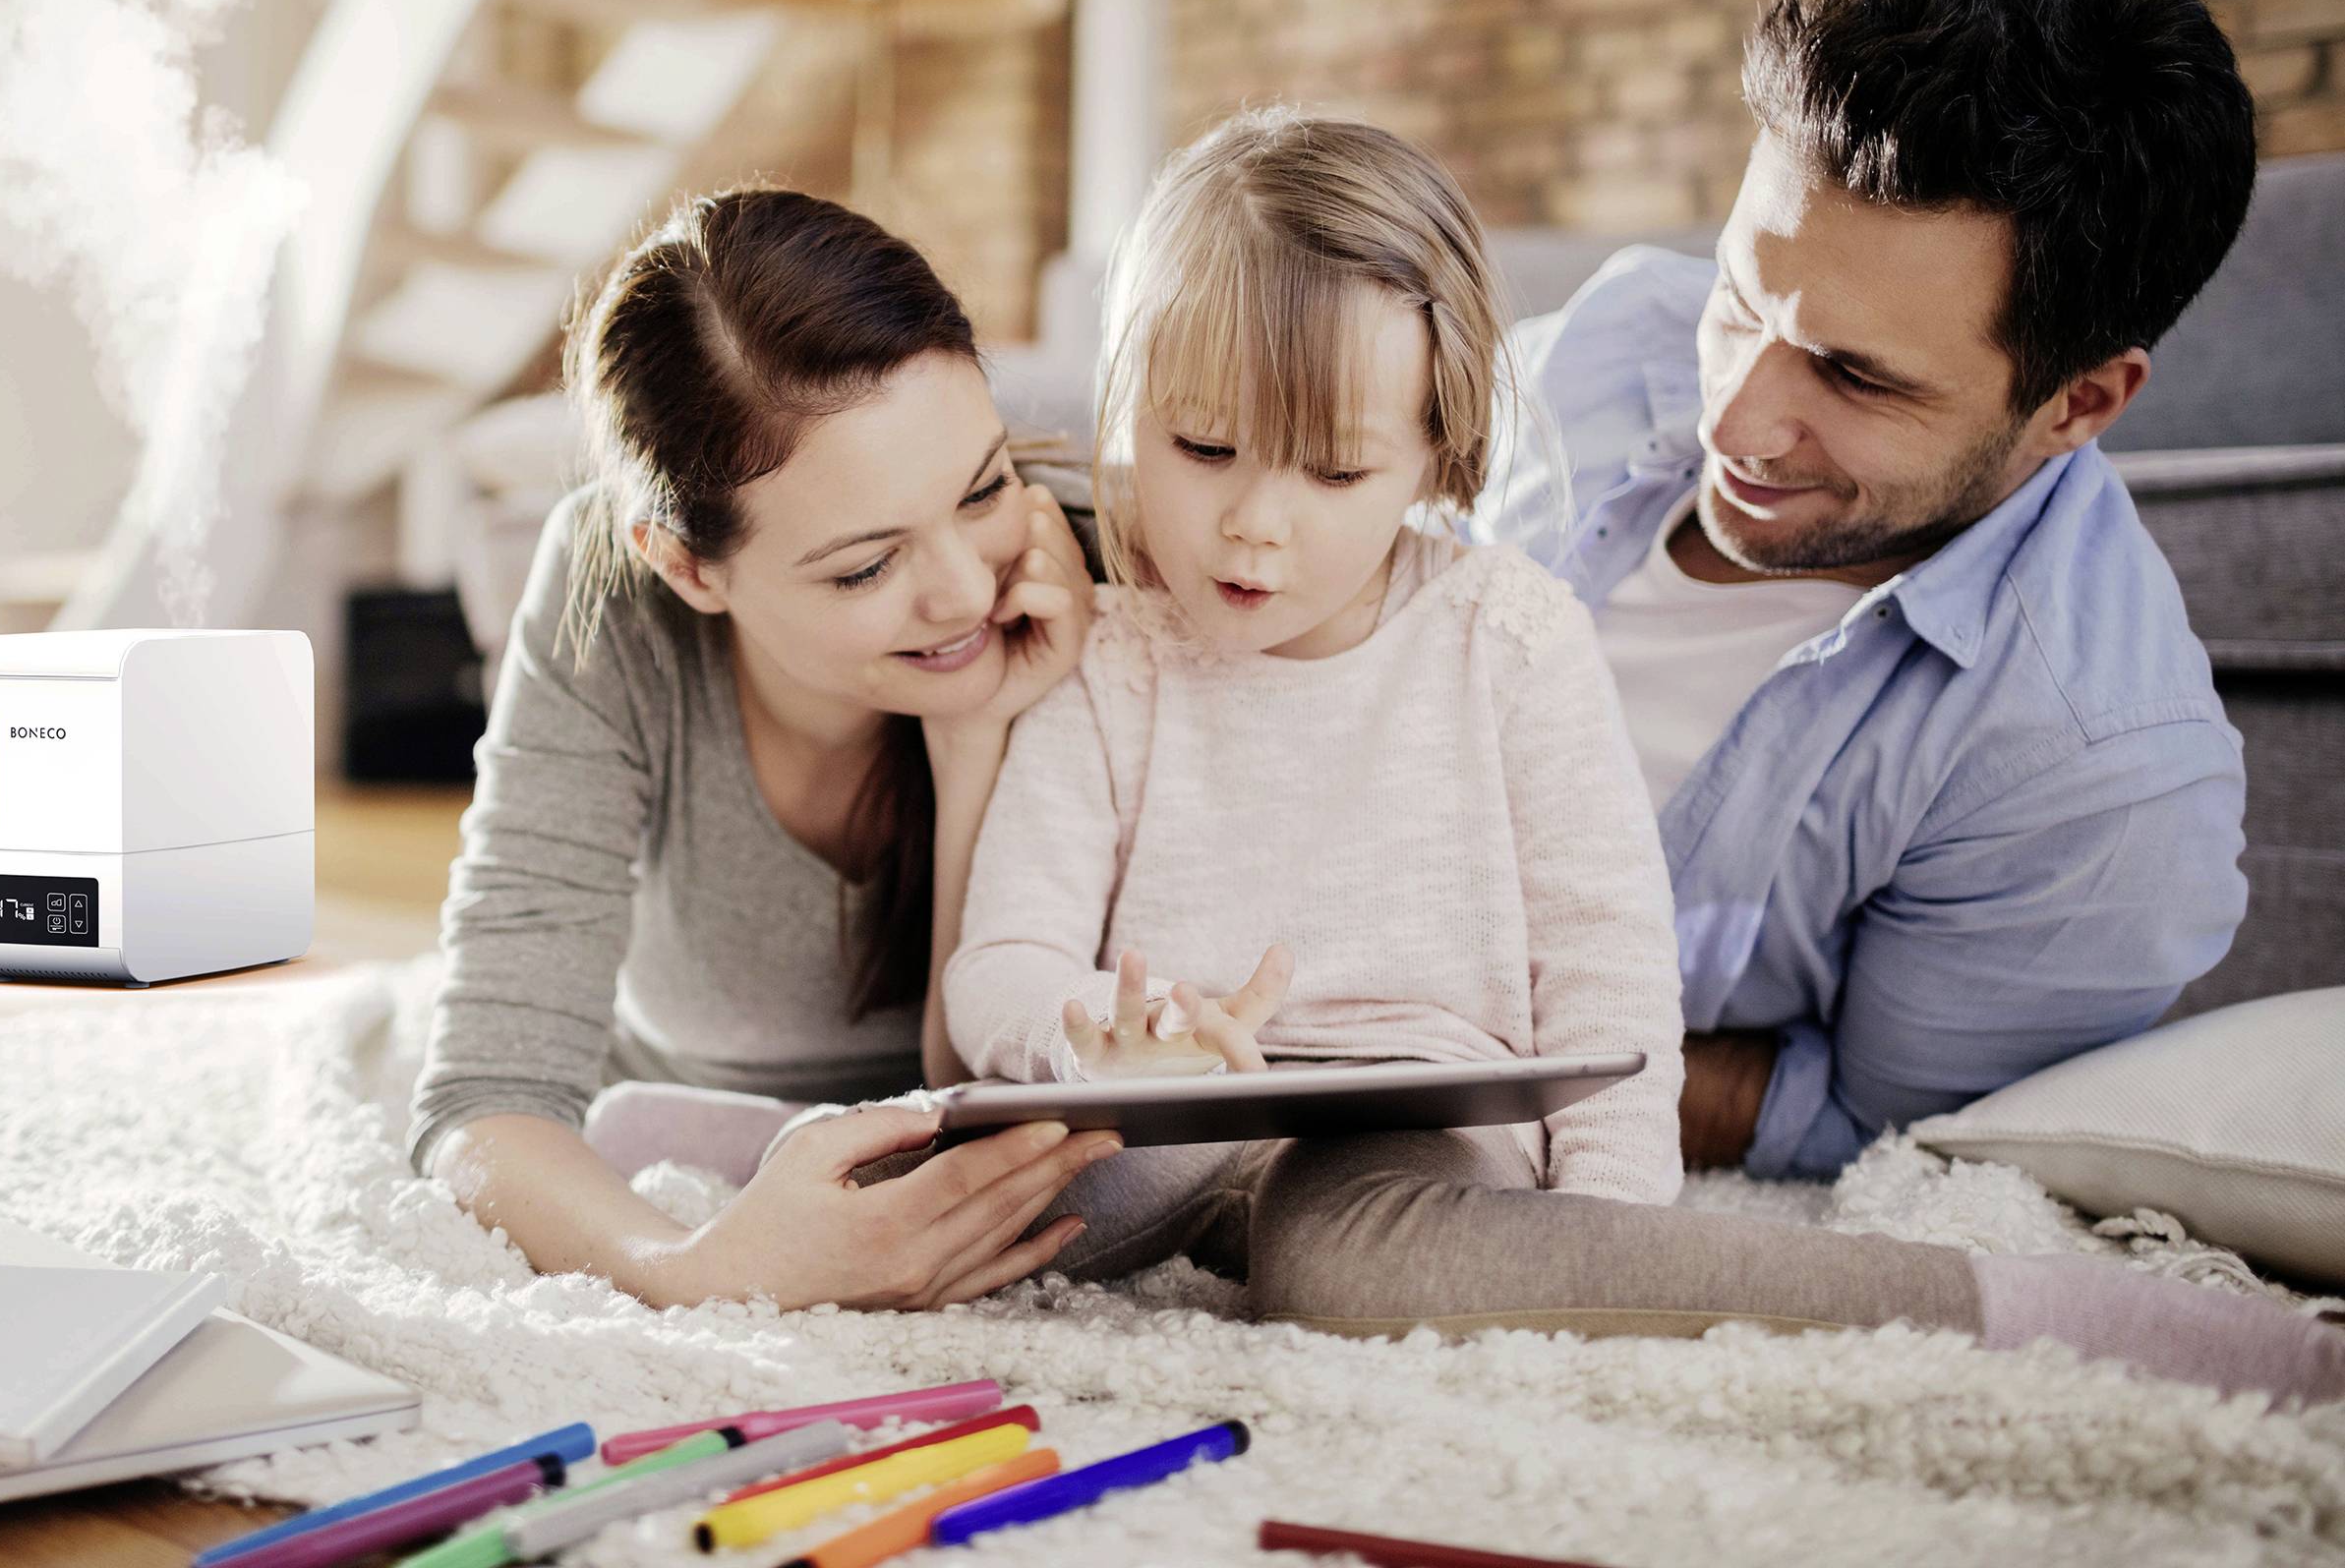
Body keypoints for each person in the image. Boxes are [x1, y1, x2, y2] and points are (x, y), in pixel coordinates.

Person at [938, 110, 2339, 1406]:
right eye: (1201, 447)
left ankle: (2025, 1310)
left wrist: (1605, 1226)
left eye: (1334, 473)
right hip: (1153, 1119)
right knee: (961, 1209)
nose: (1253, 525)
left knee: (1346, 1267)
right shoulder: (1110, 658)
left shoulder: (1506, 629)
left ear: (1439, 454)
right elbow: (1000, 966)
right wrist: (1091, 1038)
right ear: (1128, 412)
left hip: (1412, 1123)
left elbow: (1606, 961)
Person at [1482, 0, 2257, 1180]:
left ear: (2078, 402)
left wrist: (1454, 1050)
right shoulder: (1610, 333)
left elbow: (1876, 1131)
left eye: (1854, 376)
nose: (1729, 420)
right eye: (1740, 300)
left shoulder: (2095, 779)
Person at [408, 186, 1118, 1311]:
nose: (967, 589)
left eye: (983, 488)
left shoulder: (1088, 569)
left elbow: (1022, 1089)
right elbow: (483, 1104)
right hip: (674, 1126)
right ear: (687, 566)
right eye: (863, 567)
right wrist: (696, 1269)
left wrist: (973, 735)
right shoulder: (611, 601)